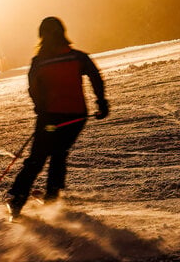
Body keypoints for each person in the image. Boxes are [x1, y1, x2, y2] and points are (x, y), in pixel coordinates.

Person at [6, 16, 109, 219]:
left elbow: (33, 88)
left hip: (51, 120)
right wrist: (102, 102)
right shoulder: (77, 57)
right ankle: (52, 197)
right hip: (76, 118)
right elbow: (95, 76)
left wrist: (40, 109)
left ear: (42, 36)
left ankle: (18, 199)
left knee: (37, 157)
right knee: (59, 153)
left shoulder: (39, 62)